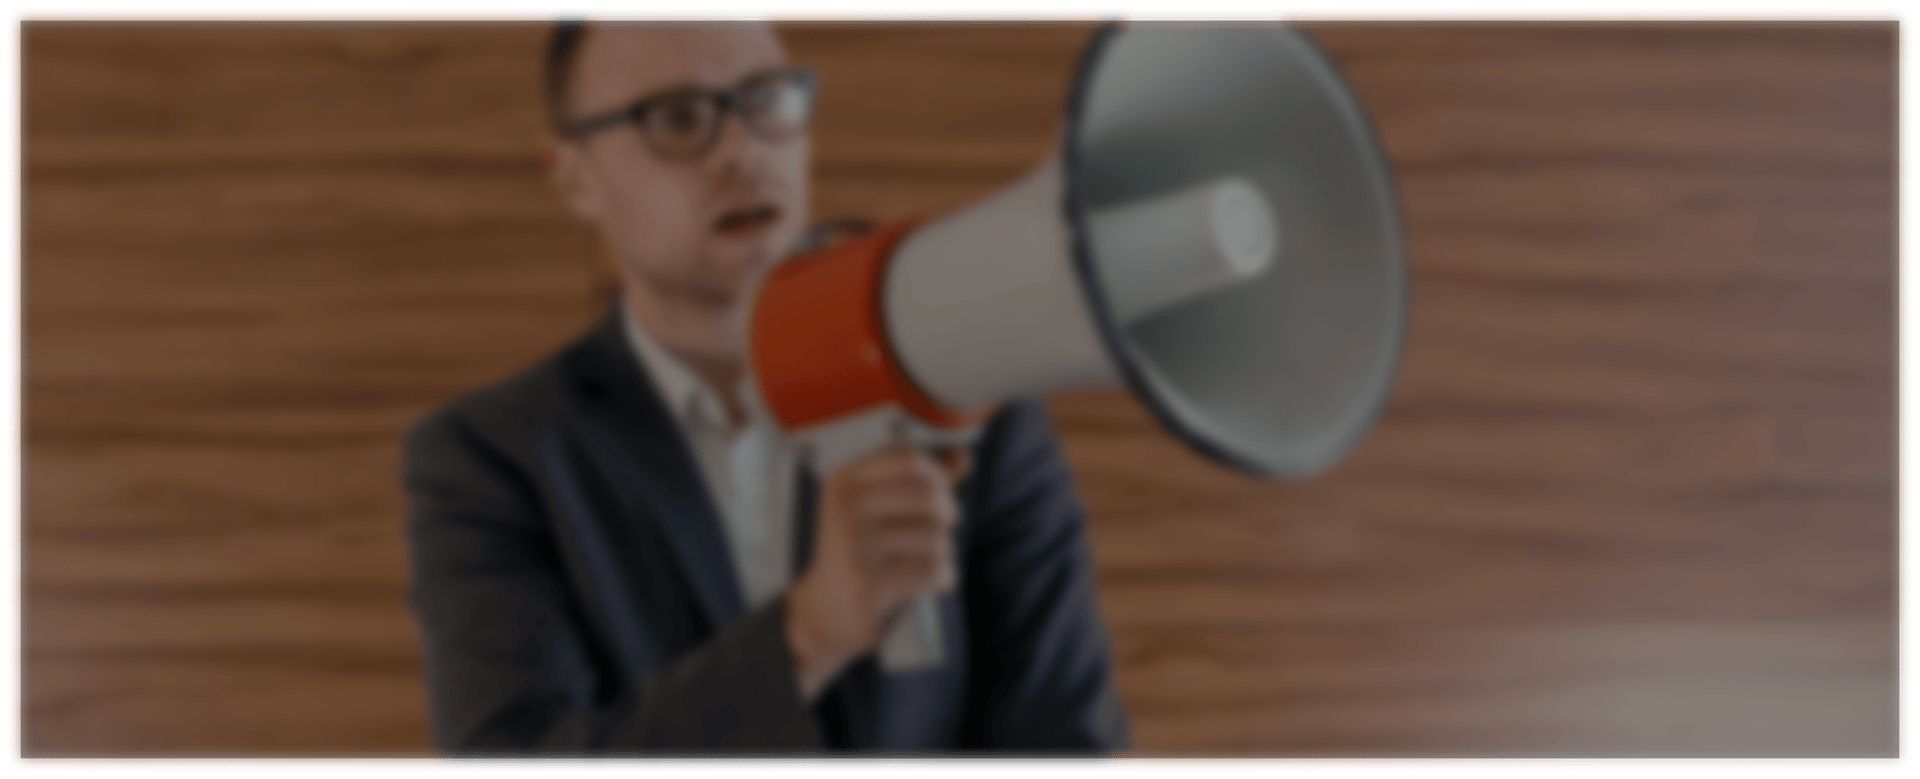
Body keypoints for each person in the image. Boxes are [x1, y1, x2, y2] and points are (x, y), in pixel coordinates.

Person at [402, 13, 1129, 763]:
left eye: (767, 98)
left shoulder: (971, 397)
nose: (741, 150)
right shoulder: (487, 458)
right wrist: (807, 635)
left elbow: (1064, 744)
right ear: (575, 175)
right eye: (677, 118)